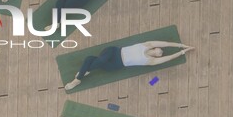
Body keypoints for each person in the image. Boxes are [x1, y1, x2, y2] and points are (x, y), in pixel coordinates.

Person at [64, 41, 194, 90]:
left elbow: (169, 58)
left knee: (90, 59)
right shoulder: (147, 44)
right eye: (160, 49)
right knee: (101, 61)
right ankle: (78, 79)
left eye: (160, 54)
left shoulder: (151, 61)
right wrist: (180, 45)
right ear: (156, 47)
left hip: (117, 64)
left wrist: (183, 52)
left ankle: (84, 72)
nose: (160, 51)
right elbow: (166, 44)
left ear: (157, 56)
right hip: (113, 51)